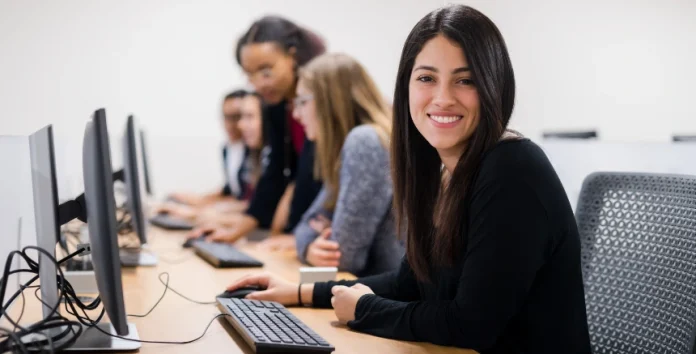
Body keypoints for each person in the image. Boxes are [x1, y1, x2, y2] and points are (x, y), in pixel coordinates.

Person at [225, 5, 592, 354]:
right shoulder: (443, 169)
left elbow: (473, 323)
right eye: (427, 78)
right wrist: (301, 292)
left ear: (494, 86)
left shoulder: (512, 168)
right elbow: (407, 284)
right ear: (407, 87)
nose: (443, 98)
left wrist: (366, 311)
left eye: (465, 80)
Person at [189, 16, 325, 242]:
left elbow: (323, 183)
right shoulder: (276, 105)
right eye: (249, 74)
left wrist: (298, 238)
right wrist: (235, 231)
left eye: (265, 70)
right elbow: (274, 174)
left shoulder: (320, 103)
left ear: (292, 57)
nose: (258, 83)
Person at [277, 53, 403, 276]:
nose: (296, 114)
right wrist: (308, 247)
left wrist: (313, 242)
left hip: (390, 300)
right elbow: (305, 225)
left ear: (331, 102)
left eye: (302, 102)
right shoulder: (353, 144)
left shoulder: (366, 142)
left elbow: (344, 257)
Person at [159, 90, 258, 220]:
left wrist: (198, 210)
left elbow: (249, 202)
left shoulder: (254, 152)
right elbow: (229, 190)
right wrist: (195, 199)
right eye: (225, 117)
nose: (229, 124)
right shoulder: (227, 149)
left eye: (235, 117)